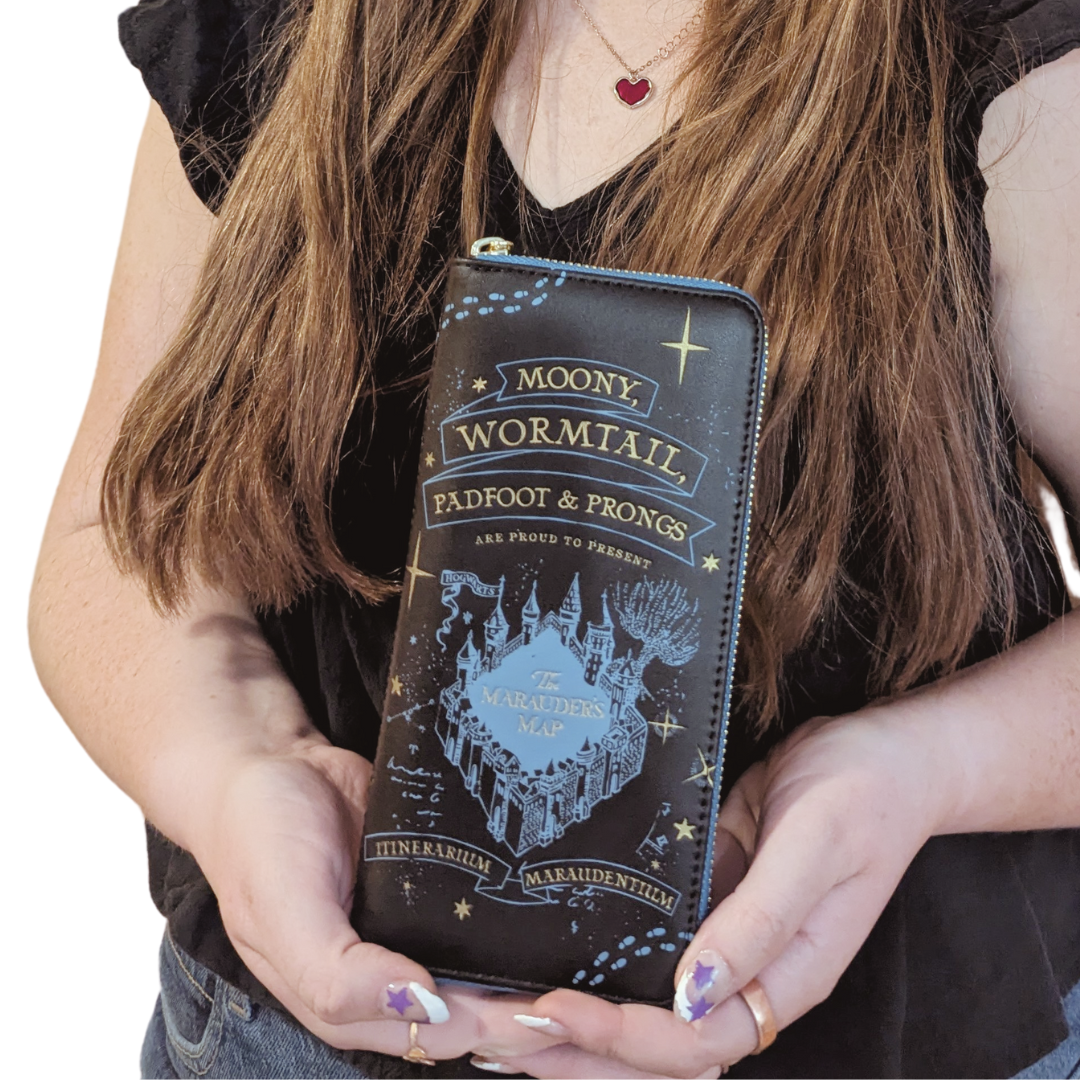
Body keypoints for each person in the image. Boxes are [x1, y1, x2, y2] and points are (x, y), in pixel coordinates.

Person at [28, 0, 1080, 1075]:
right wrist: (238, 768)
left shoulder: (1015, 57)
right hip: (280, 1045)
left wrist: (920, 770)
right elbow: (112, 535)